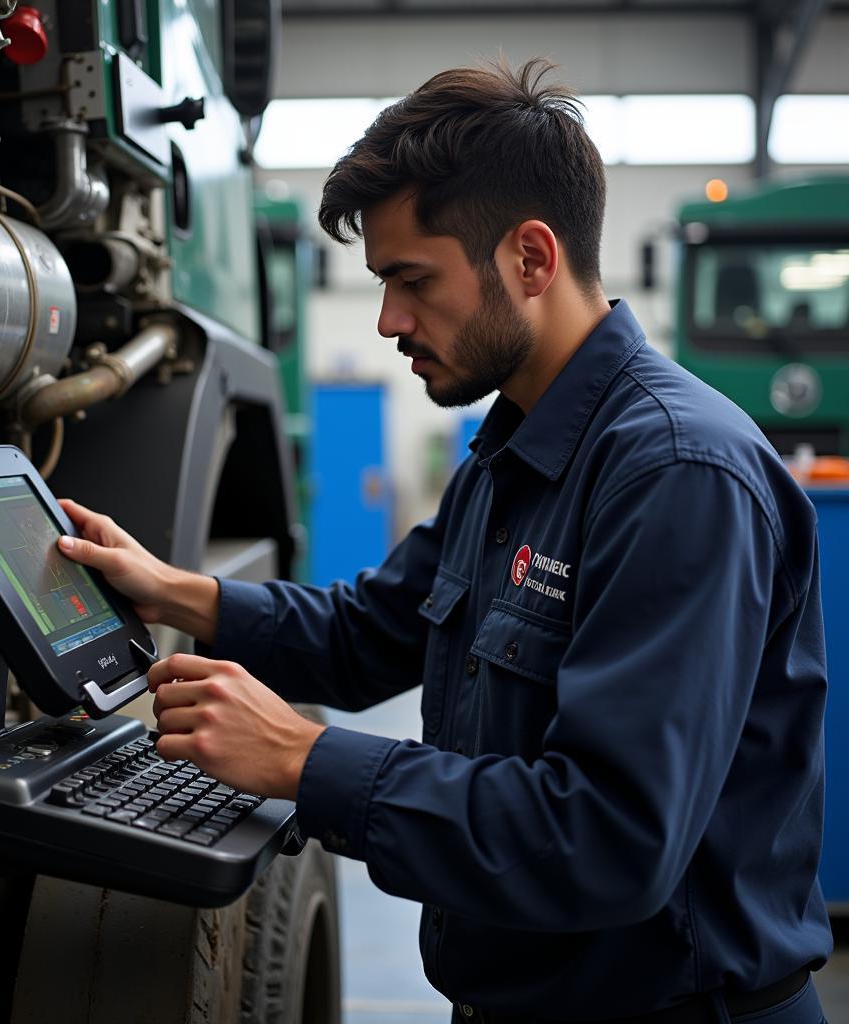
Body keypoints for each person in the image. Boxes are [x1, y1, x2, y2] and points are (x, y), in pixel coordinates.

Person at [58, 59, 832, 1024]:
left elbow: (608, 839)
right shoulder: (516, 447)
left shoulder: (677, 475)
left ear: (532, 259)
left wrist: (305, 760)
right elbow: (375, 627)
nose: (388, 321)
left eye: (411, 281)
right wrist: (177, 593)